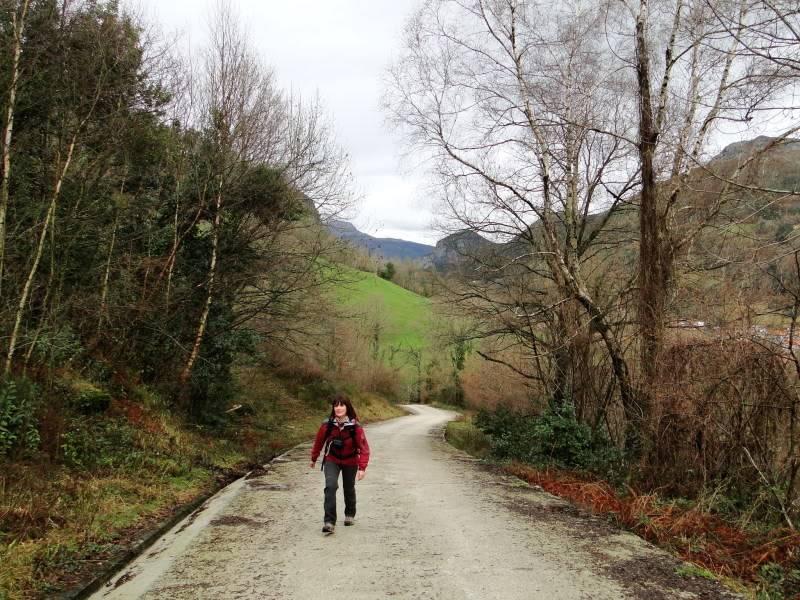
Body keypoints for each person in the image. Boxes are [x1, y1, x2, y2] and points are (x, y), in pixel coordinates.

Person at [309, 394, 370, 534]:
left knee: (349, 488)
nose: (338, 408)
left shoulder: (355, 426)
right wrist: (313, 458)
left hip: (351, 460)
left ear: (347, 407)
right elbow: (318, 443)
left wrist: (362, 468)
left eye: (341, 405)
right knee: (330, 486)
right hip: (332, 459)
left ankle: (349, 514)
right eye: (336, 405)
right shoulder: (327, 425)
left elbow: (364, 448)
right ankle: (329, 522)